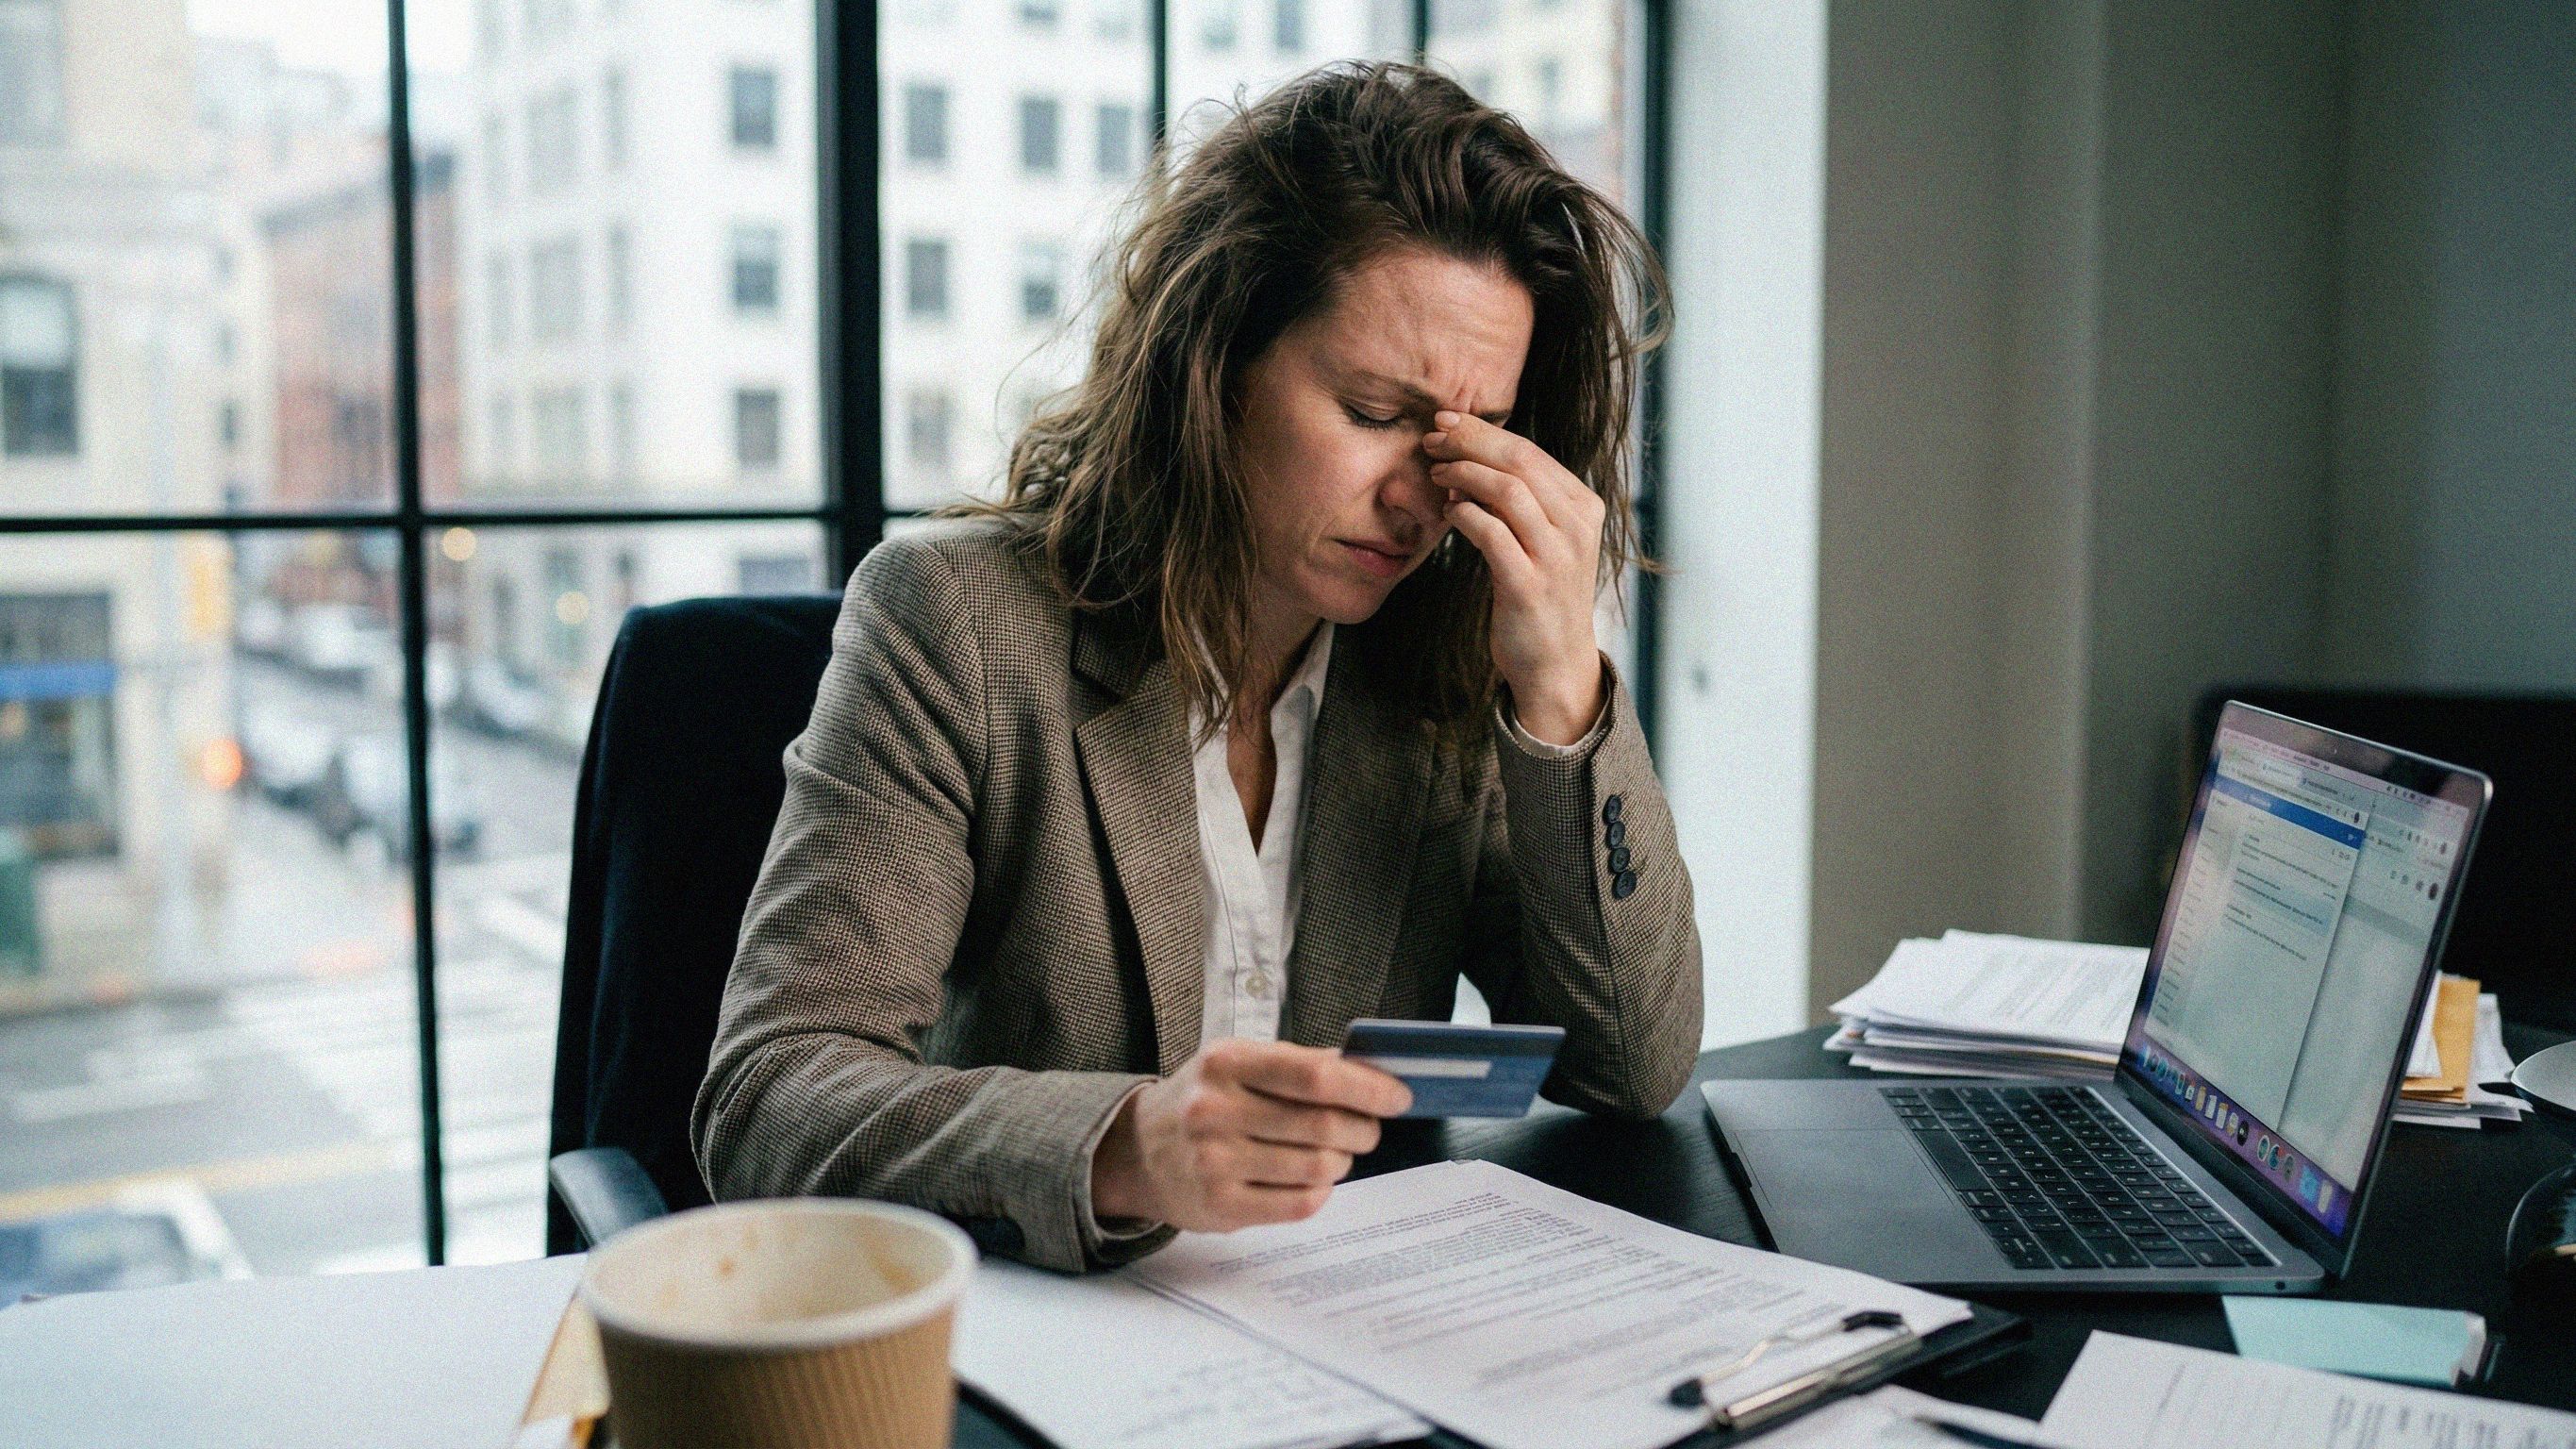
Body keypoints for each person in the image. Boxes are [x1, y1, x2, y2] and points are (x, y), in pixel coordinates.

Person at [691, 61, 1701, 1273]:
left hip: (1356, 1332)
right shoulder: (954, 623)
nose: (1418, 499)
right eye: (1375, 412)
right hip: (1055, 1334)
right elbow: (769, 1090)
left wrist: (1562, 692)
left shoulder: (1440, 671)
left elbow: (1632, 1065)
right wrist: (1117, 1146)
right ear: (1211, 365)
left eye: (1464, 442)